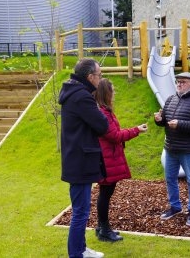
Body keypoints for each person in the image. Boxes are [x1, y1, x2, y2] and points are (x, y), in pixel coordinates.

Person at [59, 58, 108, 258]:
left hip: (77, 159)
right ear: (90, 77)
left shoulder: (75, 93)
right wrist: (97, 109)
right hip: (80, 162)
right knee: (80, 212)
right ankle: (76, 254)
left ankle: (81, 249)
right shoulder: (82, 97)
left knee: (82, 210)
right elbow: (103, 125)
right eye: (99, 75)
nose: (101, 78)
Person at [94, 78, 148, 242]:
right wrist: (136, 130)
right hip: (106, 159)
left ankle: (102, 227)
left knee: (105, 193)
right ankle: (104, 229)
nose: (115, 93)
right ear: (106, 93)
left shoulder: (105, 111)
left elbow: (114, 133)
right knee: (105, 193)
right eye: (112, 90)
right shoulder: (103, 113)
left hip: (110, 157)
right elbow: (114, 136)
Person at [154, 72, 190, 226]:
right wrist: (159, 120)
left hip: (189, 150)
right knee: (170, 179)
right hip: (171, 148)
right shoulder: (170, 99)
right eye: (178, 82)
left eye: (183, 82)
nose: (179, 84)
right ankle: (175, 207)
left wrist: (180, 124)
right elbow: (165, 121)